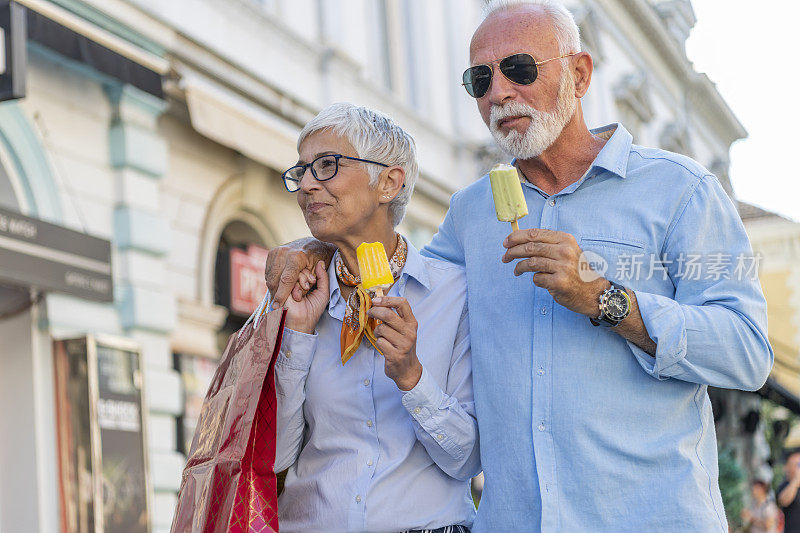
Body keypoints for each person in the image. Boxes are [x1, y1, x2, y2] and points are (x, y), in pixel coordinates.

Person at [264, 1, 773, 530]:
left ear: (579, 74)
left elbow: (746, 352)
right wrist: (315, 247)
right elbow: (399, 267)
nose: (499, 92)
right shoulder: (470, 213)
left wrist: (604, 298)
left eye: (520, 69)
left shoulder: (680, 191)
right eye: (479, 79)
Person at [271, 102, 480, 533]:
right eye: (302, 170)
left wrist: (411, 375)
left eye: (327, 165)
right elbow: (273, 456)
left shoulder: (454, 293)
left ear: (388, 182)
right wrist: (297, 333)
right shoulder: (297, 289)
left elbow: (467, 460)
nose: (307, 184)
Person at [778, 452, 800, 532]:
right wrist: (795, 481)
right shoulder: (784, 486)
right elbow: (783, 501)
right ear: (788, 467)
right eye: (797, 465)